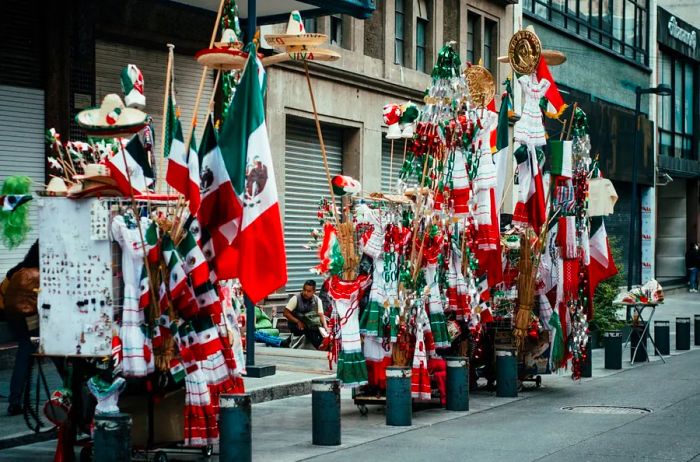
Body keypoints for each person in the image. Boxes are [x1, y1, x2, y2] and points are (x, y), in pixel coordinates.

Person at [0, 240, 39, 415]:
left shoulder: (16, 270)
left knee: (24, 354)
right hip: (33, 320)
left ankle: (15, 399)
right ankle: (71, 400)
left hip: (14, 318)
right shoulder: (41, 274)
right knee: (57, 356)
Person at [283, 280, 328, 350]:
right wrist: (297, 321)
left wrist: (325, 327)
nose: (305, 293)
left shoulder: (317, 300)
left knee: (319, 329)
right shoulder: (296, 298)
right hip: (295, 325)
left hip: (310, 324)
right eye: (304, 290)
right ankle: (319, 346)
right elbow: (285, 313)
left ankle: (326, 344)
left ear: (314, 292)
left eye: (309, 291)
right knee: (309, 330)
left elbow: (321, 315)